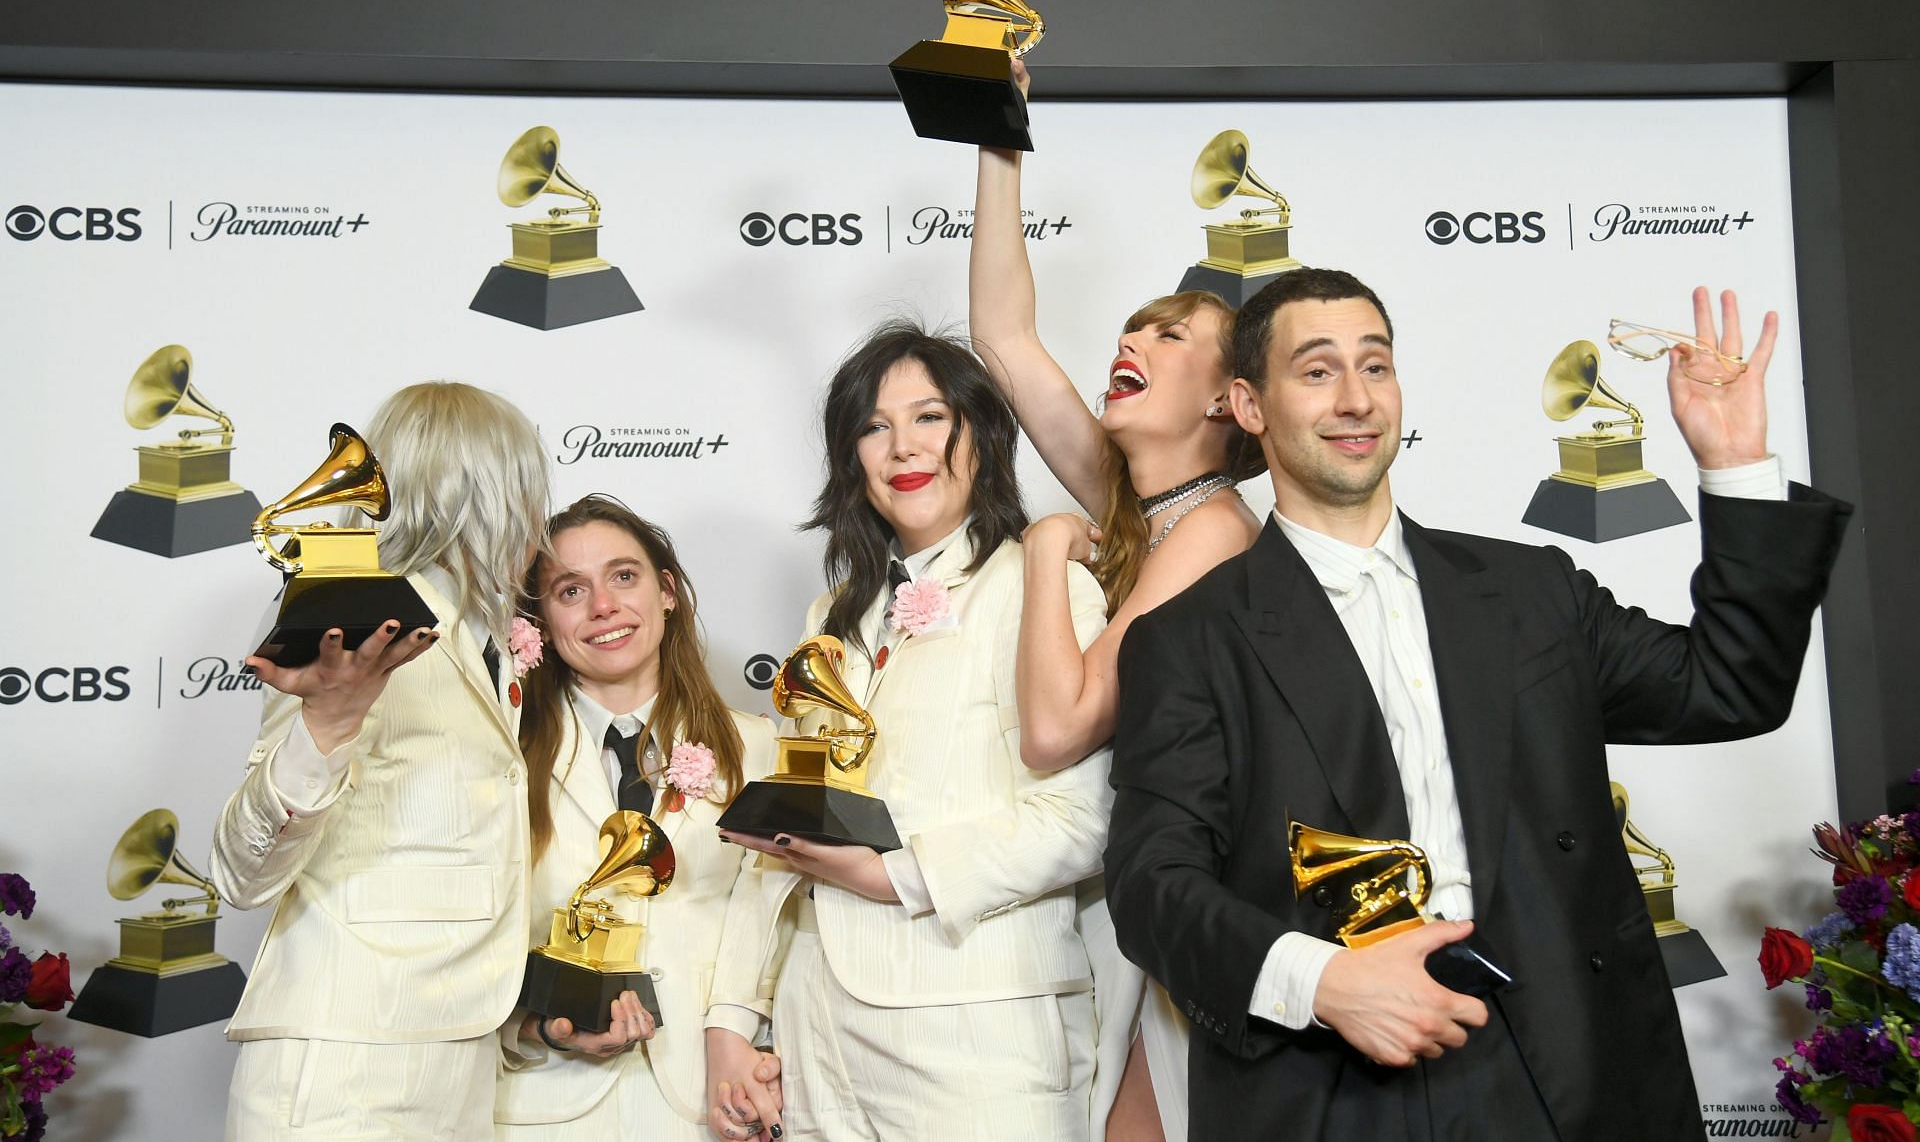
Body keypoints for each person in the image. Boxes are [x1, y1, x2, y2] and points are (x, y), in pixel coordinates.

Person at [1103, 273, 1850, 1141]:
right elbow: (1151, 885)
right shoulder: (1190, 637)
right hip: (1334, 1082)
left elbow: (1733, 684)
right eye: (1315, 372)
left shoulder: (1532, 591)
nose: (1355, 399)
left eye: (1375, 366)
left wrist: (1734, 466)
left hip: (1575, 1064)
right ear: (1249, 404)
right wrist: (1322, 983)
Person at [722, 322, 1112, 1140]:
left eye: (930, 417)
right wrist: (736, 1017)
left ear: (983, 434)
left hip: (977, 1040)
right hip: (815, 1035)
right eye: (874, 425)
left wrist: (891, 875)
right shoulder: (831, 616)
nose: (904, 446)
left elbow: (1080, 825)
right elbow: (793, 825)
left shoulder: (1047, 591)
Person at [968, 60, 1263, 1140]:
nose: (1130, 341)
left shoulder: (1216, 531)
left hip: (1196, 895)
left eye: (1170, 334)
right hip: (1128, 881)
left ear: (1232, 403)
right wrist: (998, 134)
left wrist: (1048, 550)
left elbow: (1059, 725)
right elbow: (1003, 336)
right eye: (1133, 326)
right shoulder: (1149, 506)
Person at [210, 381, 552, 1140]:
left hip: (457, 1063)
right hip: (350, 1071)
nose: (542, 521)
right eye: (531, 490)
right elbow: (242, 873)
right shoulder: (356, 624)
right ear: (491, 495)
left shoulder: (481, 642)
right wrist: (326, 724)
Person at [494, 495, 783, 1141]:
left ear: (668, 591)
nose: (604, 607)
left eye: (624, 576)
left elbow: (766, 911)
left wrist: (734, 1035)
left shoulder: (755, 746)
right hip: (541, 1106)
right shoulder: (501, 757)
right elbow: (470, 935)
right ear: (538, 622)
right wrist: (537, 1027)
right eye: (571, 590)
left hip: (706, 1100)